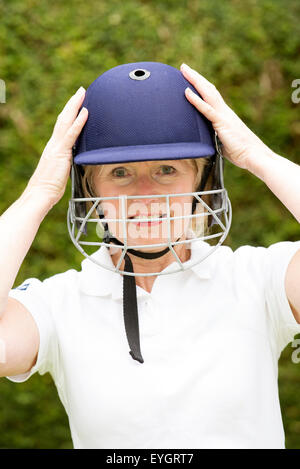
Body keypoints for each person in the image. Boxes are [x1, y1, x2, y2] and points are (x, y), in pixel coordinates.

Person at [0, 61, 299, 449]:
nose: (146, 194)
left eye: (167, 169)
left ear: (201, 181)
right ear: (91, 191)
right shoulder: (59, 303)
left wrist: (257, 155)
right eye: (120, 172)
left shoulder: (257, 278)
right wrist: (38, 193)